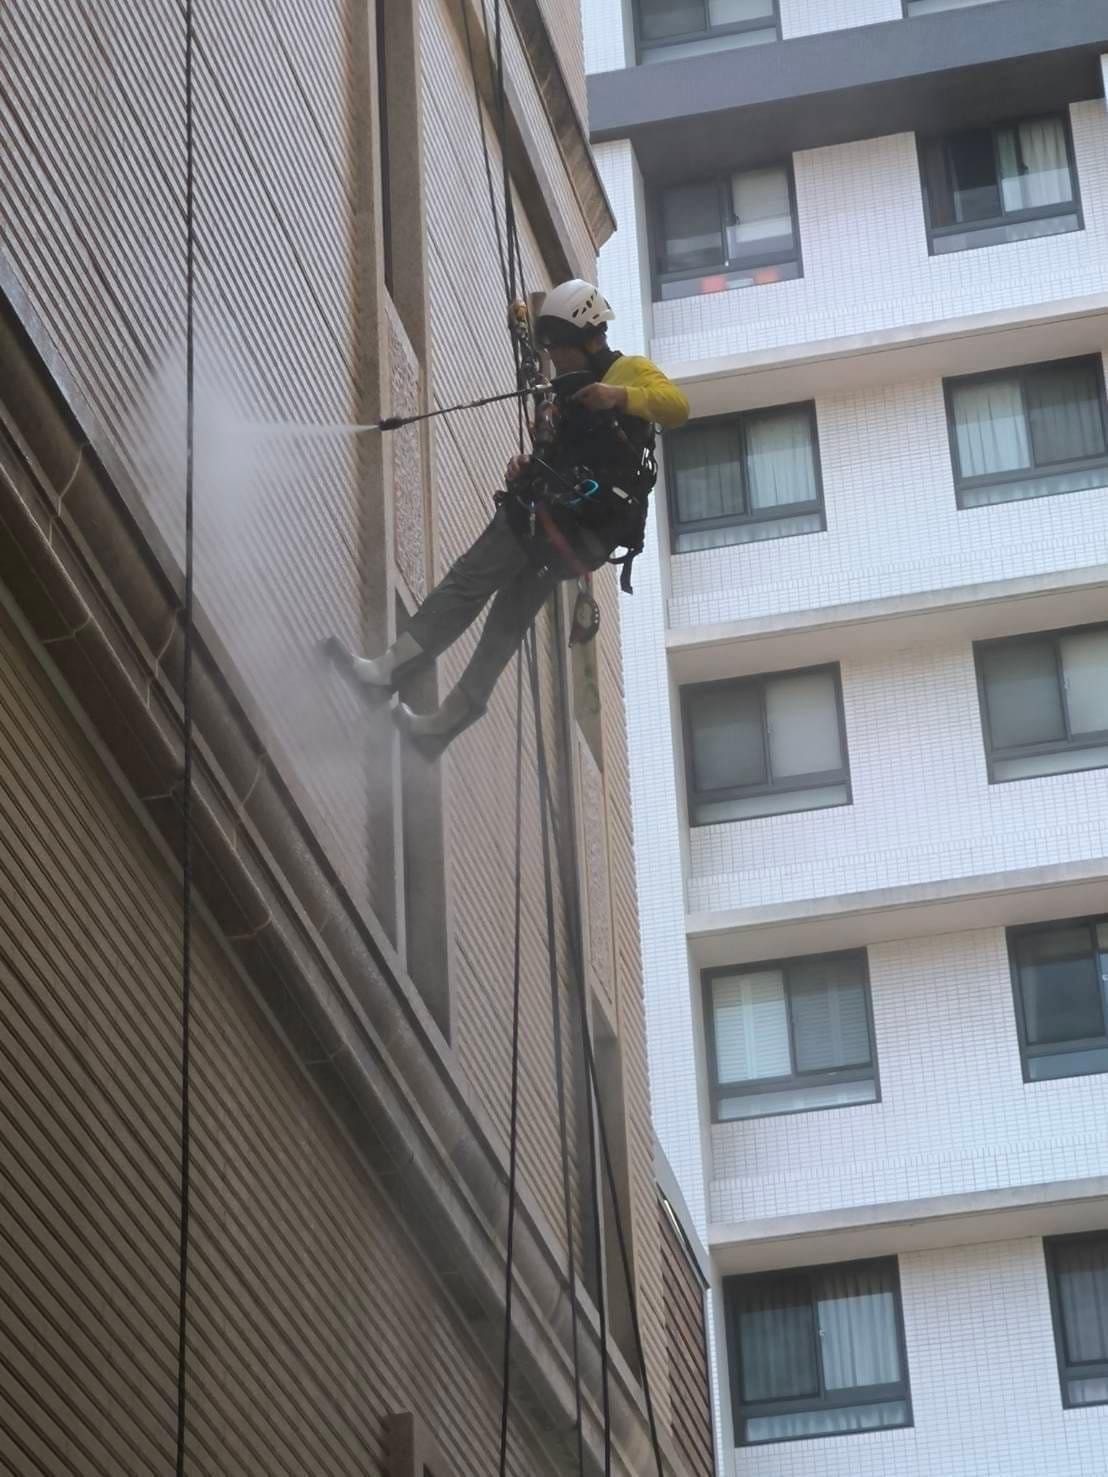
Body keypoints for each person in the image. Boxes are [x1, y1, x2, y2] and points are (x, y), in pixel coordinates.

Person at [329, 279, 689, 755]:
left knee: (467, 581)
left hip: (562, 521)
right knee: (506, 620)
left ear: (584, 336)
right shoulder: (567, 391)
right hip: (575, 534)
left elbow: (678, 407)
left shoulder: (628, 373)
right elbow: (563, 453)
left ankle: (386, 673)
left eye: (558, 347)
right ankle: (441, 728)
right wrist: (528, 464)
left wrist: (618, 397)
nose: (554, 358)